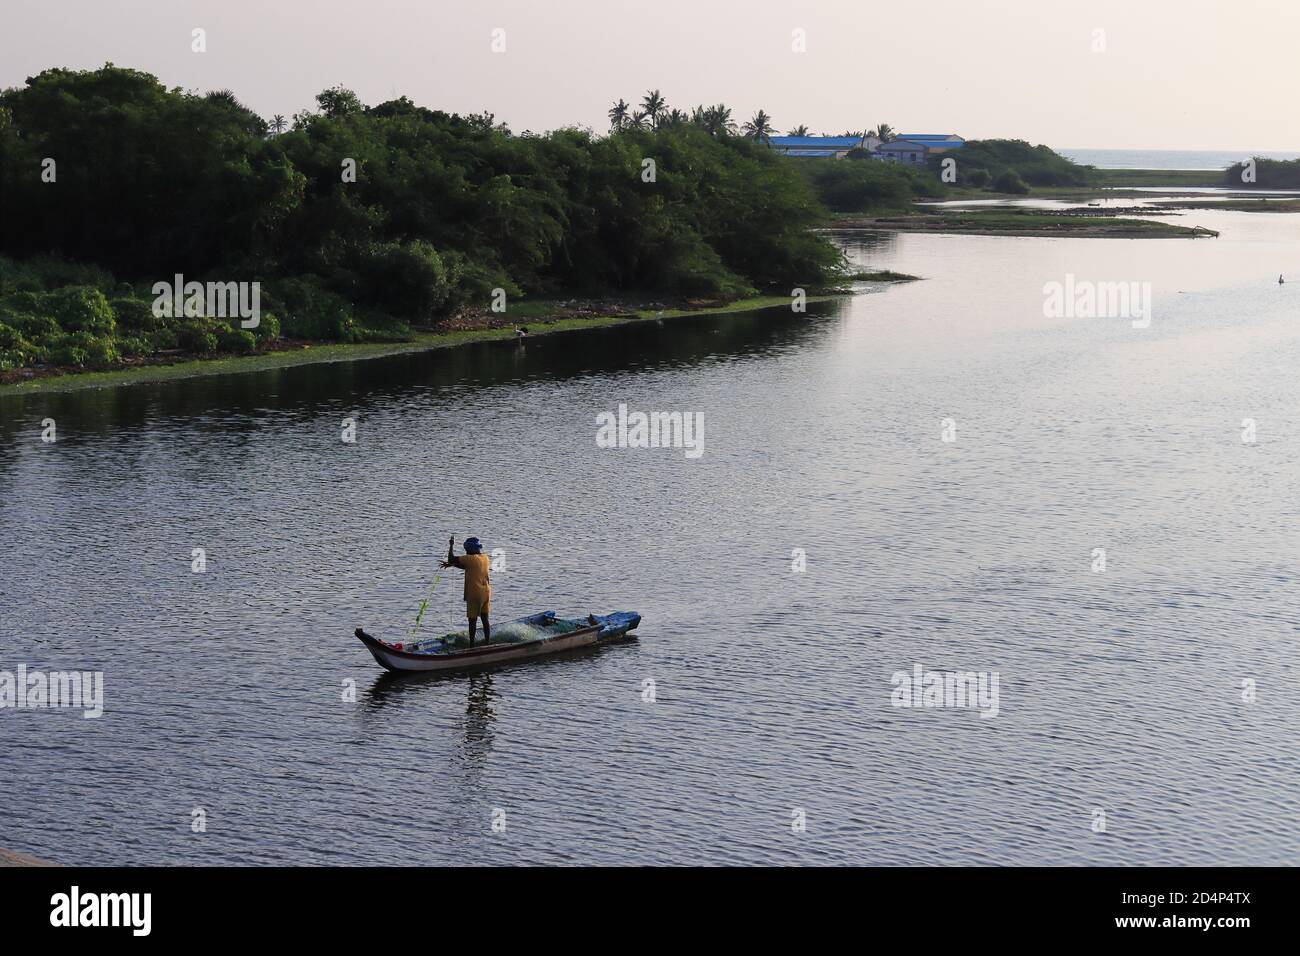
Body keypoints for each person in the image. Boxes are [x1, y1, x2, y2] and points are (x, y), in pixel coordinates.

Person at [441, 536, 491, 645]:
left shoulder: (469, 558)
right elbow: (471, 568)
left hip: (474, 593)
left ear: (470, 549)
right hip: (486, 593)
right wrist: (453, 565)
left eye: (467, 549)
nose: (466, 551)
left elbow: (451, 558)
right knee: (485, 619)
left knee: (472, 620)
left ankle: (472, 646)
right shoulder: (485, 558)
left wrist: (451, 545)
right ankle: (487, 643)